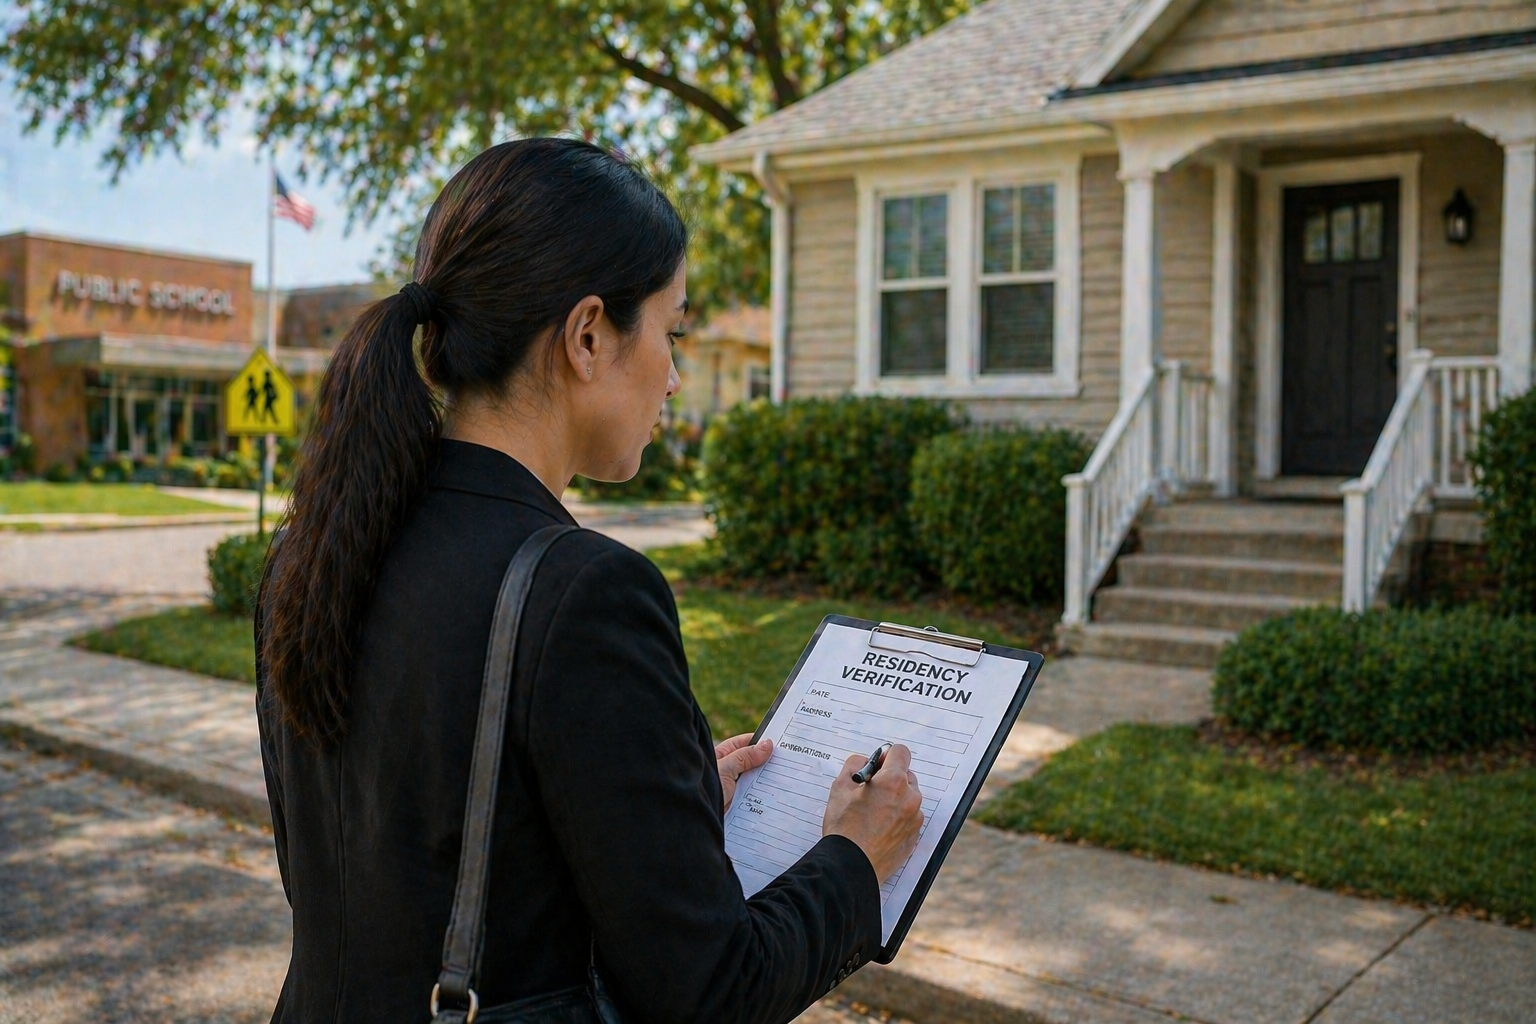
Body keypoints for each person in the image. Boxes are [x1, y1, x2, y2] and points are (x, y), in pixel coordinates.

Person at [256, 138, 925, 1024]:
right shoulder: (583, 592)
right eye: (672, 329)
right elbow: (712, 991)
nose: (676, 376)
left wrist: (667, 802)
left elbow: (398, 864)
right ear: (587, 336)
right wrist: (852, 858)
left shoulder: (314, 549)